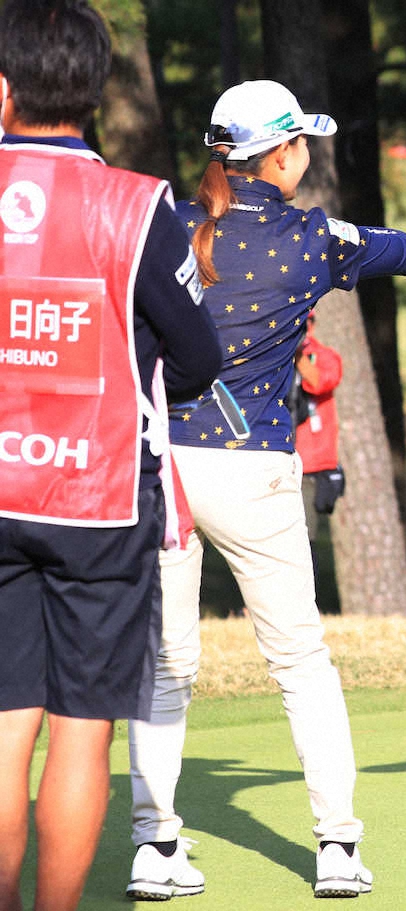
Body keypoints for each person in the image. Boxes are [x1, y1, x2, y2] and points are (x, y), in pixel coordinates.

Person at [125, 80, 406, 901]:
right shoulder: (316, 236)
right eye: (303, 146)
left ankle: (154, 847)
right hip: (253, 467)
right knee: (299, 659)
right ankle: (336, 846)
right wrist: (352, 235)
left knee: (165, 663)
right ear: (284, 152)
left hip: (165, 469)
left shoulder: (171, 225)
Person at [0, 2, 222, 909]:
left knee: (4, 726)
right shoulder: (139, 206)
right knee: (82, 734)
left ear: (5, 88)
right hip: (96, 501)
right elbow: (199, 355)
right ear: (91, 89)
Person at [291, 309, 346, 589]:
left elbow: (320, 381)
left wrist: (297, 354)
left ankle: (300, 599)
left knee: (302, 537)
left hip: (309, 464)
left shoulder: (322, 355)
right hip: (276, 457)